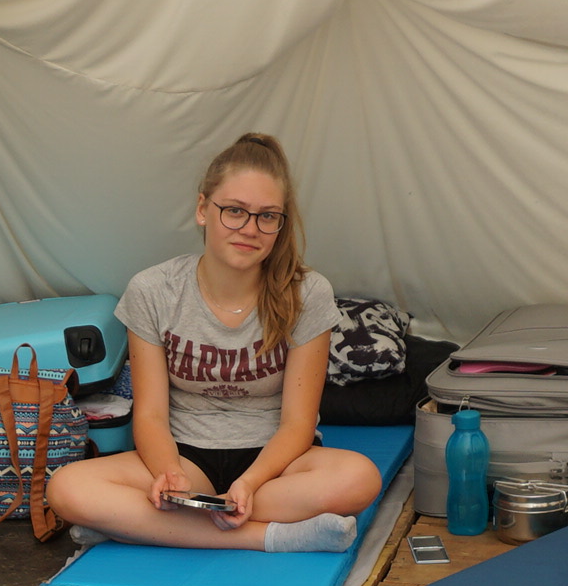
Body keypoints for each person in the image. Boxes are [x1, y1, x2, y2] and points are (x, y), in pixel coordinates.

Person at [44, 133, 380, 551]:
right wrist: (169, 473)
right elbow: (150, 415)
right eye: (234, 211)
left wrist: (250, 483)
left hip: (276, 467)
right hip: (186, 458)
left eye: (267, 216)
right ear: (203, 209)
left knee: (360, 478)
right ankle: (270, 537)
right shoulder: (153, 290)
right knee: (66, 488)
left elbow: (298, 423)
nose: (250, 229)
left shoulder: (307, 293)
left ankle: (136, 526)